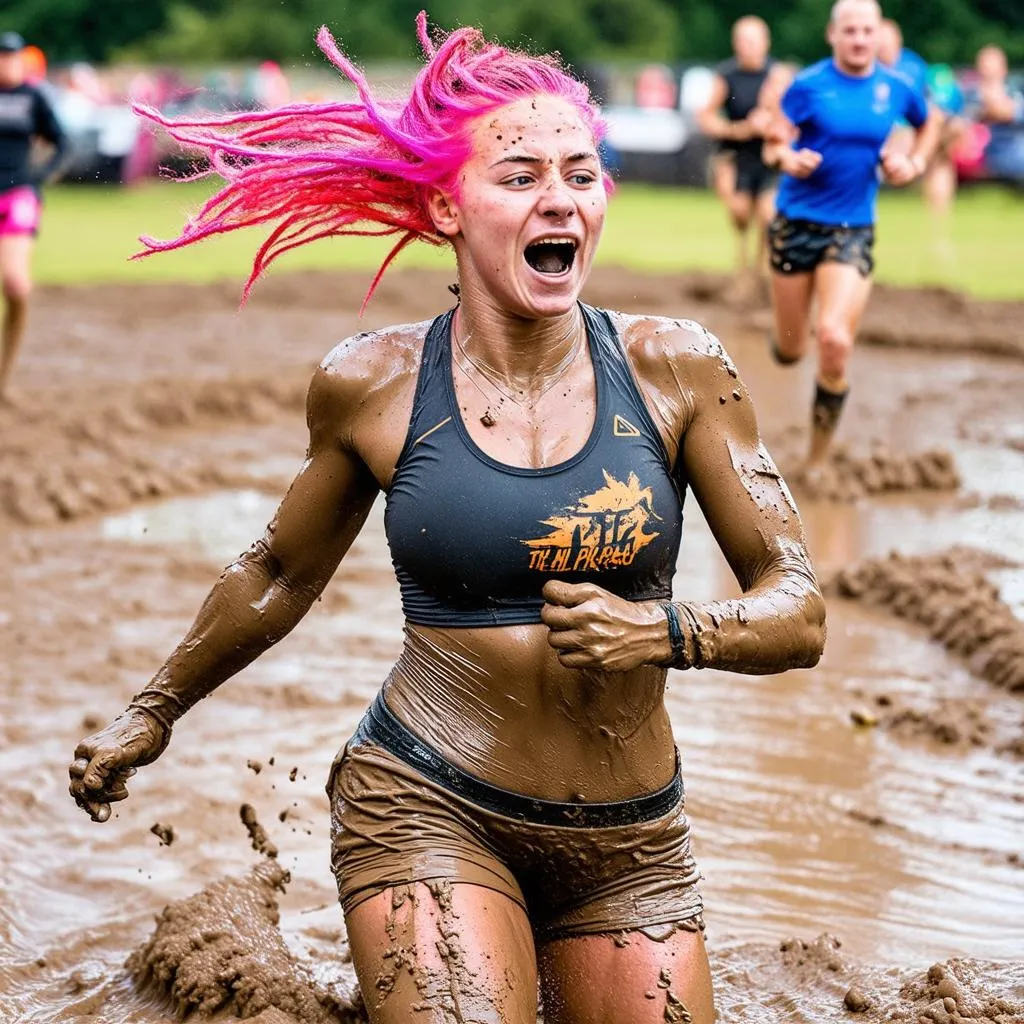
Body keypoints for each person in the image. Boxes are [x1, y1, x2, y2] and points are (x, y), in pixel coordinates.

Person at [68, 15, 825, 1024]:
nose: (560, 196)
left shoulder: (675, 367)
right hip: (427, 800)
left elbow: (799, 607)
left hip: (631, 843)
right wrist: (153, 710)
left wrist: (665, 630)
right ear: (444, 205)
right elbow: (279, 573)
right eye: (519, 176)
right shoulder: (371, 382)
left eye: (580, 172)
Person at [762, 0, 942, 468]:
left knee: (835, 338)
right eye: (851, 31)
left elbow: (930, 123)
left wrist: (914, 162)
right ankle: (785, 338)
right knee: (789, 349)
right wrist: (788, 158)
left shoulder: (897, 87)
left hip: (853, 228)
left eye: (867, 31)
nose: (860, 40)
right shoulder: (808, 86)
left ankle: (818, 459)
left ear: (878, 34)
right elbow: (774, 141)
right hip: (796, 223)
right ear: (833, 35)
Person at [0, 30, 68, 402]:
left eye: (12, 56)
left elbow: (61, 141)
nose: (6, 62)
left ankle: (4, 376)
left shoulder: (32, 97)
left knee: (15, 285)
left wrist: (42, 175)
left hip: (18, 192)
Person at [697, 16, 776, 287]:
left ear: (766, 43)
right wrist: (737, 129)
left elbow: (792, 117)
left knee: (768, 216)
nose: (749, 46)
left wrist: (769, 122)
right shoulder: (726, 75)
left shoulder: (777, 76)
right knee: (740, 211)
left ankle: (759, 269)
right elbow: (706, 116)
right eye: (743, 40)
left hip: (768, 156)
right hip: (735, 155)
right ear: (735, 44)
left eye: (753, 40)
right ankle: (742, 260)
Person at [877, 19, 965, 248]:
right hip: (889, 136)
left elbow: (935, 103)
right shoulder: (867, 70)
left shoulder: (914, 66)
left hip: (916, 134)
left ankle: (940, 230)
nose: (885, 45)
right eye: (881, 40)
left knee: (950, 136)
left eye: (890, 40)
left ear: (899, 40)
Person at [972, 44, 1024, 182]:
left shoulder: (1016, 91)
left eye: (991, 66)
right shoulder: (970, 95)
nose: (987, 70)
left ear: (1004, 69)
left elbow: (1006, 113)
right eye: (984, 65)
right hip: (988, 153)